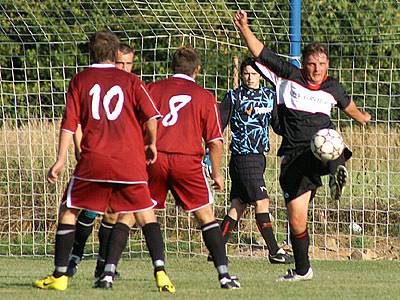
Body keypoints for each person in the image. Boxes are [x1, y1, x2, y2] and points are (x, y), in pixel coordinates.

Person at [233, 10, 371, 281]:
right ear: (303, 64)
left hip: (318, 152)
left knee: (328, 141)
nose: (316, 68)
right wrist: (244, 28)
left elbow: (347, 105)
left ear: (327, 65)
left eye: (321, 63)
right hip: (293, 157)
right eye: (311, 63)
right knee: (296, 219)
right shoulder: (288, 75)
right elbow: (261, 52)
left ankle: (336, 172)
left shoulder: (332, 87)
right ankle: (302, 269)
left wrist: (363, 117)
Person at [33, 31, 175, 293]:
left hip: (93, 161)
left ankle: (61, 275)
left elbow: (69, 124)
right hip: (129, 162)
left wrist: (60, 159)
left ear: (91, 52)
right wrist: (151, 143)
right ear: (114, 54)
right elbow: (152, 117)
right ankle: (161, 273)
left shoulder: (80, 80)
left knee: (69, 210)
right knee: (145, 214)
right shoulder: (132, 81)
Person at [146, 46, 240, 289]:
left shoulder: (151, 89)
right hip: (187, 162)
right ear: (197, 69)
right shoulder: (204, 96)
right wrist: (217, 173)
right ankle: (224, 275)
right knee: (206, 216)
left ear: (171, 68)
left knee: (135, 212)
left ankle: (108, 271)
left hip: (154, 160)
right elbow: (215, 142)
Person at [66, 43, 136, 279]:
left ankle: (102, 264)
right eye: (120, 63)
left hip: (120, 159)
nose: (124, 68)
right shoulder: (93, 81)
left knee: (112, 213)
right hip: (95, 155)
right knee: (88, 209)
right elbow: (74, 120)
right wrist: (78, 146)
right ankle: (74, 255)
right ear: (110, 61)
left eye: (129, 64)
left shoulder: (133, 85)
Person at [215, 57, 294, 264]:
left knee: (238, 205)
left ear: (260, 75)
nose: (250, 77)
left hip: (258, 157)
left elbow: (277, 126)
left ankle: (216, 249)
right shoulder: (233, 97)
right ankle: (275, 251)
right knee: (262, 201)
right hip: (243, 156)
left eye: (253, 73)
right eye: (246, 73)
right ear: (241, 75)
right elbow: (218, 125)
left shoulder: (269, 96)